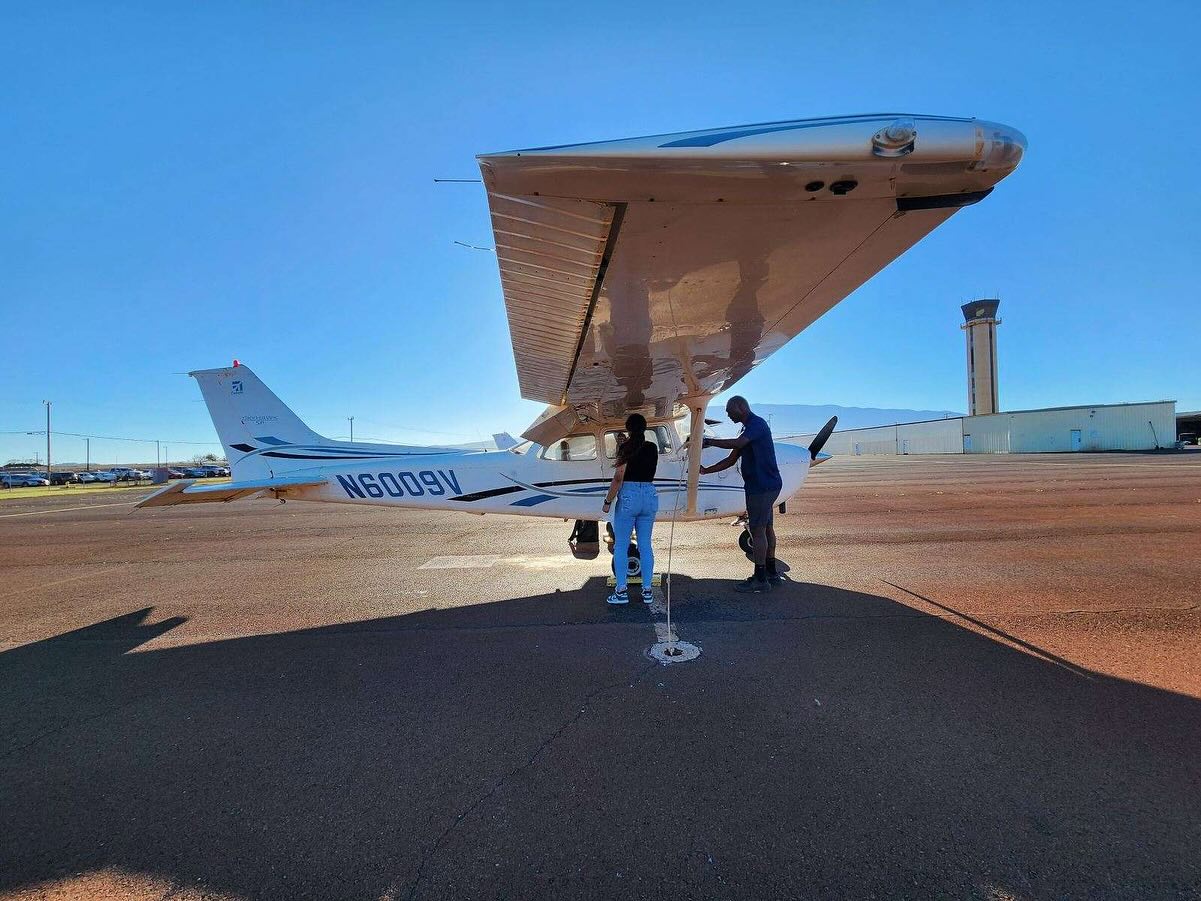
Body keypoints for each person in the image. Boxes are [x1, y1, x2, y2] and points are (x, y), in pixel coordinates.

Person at [699, 396, 783, 592]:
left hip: (761, 487)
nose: (728, 415)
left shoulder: (756, 425)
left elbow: (738, 443)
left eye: (730, 411)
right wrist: (706, 471)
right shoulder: (747, 429)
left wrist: (710, 441)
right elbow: (731, 459)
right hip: (765, 485)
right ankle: (771, 573)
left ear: (741, 407)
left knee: (758, 530)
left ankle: (761, 579)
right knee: (767, 528)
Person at [601, 414, 658, 605]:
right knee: (645, 545)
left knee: (621, 545)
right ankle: (648, 591)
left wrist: (608, 501)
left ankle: (621, 591)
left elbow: (618, 477)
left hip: (629, 495)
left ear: (628, 429)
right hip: (649, 494)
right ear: (644, 428)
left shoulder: (626, 448)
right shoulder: (652, 448)